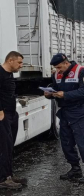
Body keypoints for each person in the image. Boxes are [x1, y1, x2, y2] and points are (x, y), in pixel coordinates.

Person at [44, 53, 84, 183]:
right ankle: (75, 168)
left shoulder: (81, 71)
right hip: (65, 113)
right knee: (66, 143)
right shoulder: (57, 75)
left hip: (80, 111)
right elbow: (56, 89)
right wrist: (49, 93)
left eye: (59, 67)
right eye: (55, 68)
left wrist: (65, 95)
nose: (57, 70)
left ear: (66, 63)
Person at [0, 51, 25, 190]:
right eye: (19, 62)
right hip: (2, 115)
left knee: (10, 146)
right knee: (3, 147)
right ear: (10, 60)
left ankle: (8, 175)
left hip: (11, 114)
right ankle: (2, 179)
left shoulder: (9, 73)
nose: (21, 66)